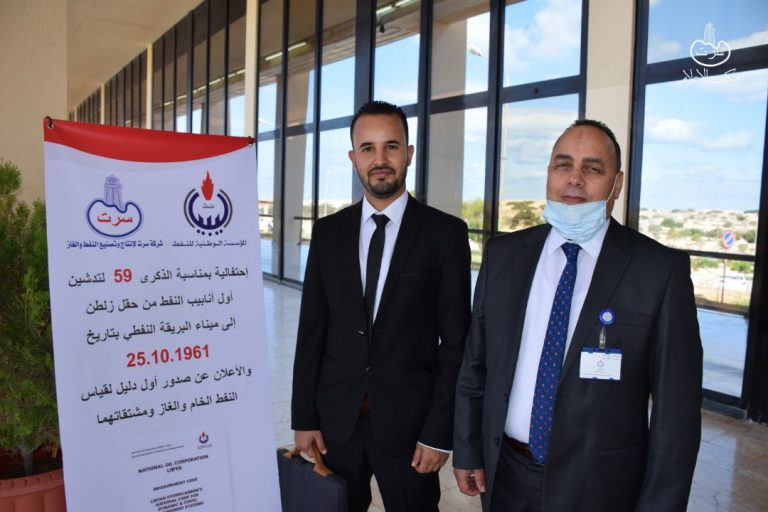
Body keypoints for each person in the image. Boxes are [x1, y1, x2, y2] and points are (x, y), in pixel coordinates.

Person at [453, 119, 703, 511]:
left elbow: (677, 417)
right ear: (549, 174)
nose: (574, 179)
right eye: (563, 164)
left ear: (617, 185)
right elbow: (476, 365)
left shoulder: (658, 271)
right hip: (506, 474)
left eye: (593, 168)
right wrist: (468, 449)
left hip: (600, 489)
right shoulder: (504, 256)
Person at [291, 100, 471, 511]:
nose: (380, 160)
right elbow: (311, 331)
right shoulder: (328, 233)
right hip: (336, 423)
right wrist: (304, 417)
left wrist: (438, 432)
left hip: (411, 428)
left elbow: (456, 344)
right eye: (367, 148)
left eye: (391, 146)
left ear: (409, 153)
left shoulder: (445, 234)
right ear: (353, 158)